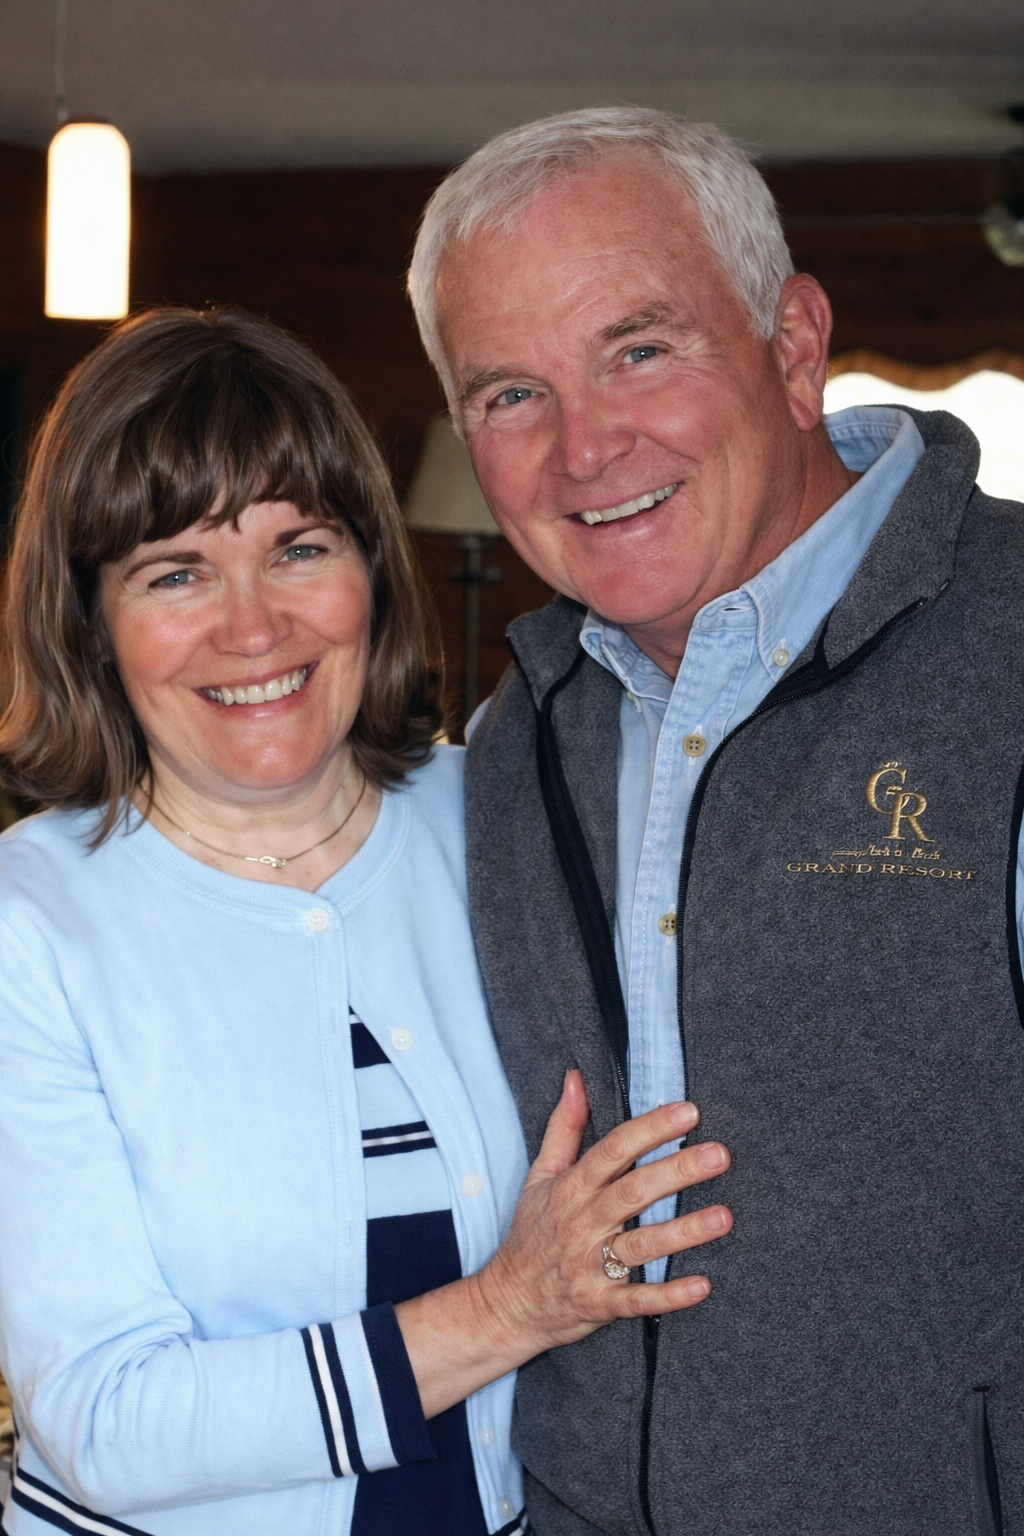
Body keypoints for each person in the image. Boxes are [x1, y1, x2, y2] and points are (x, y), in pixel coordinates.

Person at [0, 307, 735, 1536]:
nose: (252, 626)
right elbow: (108, 1423)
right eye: (174, 572)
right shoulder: (33, 922)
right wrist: (509, 1308)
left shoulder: (503, 814)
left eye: (298, 548)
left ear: (370, 570)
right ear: (91, 624)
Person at [406, 106, 1024, 1536]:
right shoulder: (516, 737)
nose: (585, 449)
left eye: (638, 350)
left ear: (794, 347)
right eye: (511, 394)